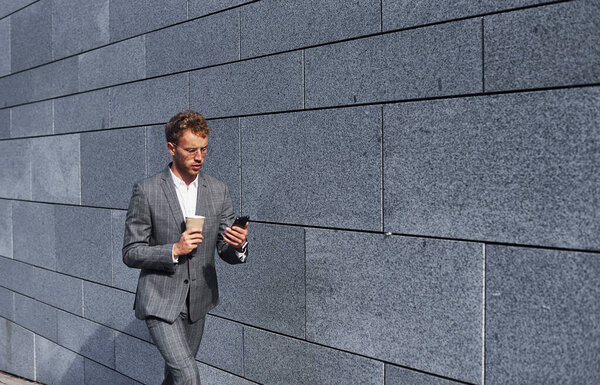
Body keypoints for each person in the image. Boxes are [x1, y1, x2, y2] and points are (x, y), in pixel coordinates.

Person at [122, 110, 248, 384]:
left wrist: (237, 245)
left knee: (176, 377)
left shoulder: (218, 190)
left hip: (198, 302)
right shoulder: (147, 191)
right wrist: (173, 250)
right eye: (191, 150)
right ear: (171, 148)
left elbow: (223, 248)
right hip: (159, 300)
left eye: (204, 149)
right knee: (188, 375)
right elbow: (131, 252)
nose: (199, 157)